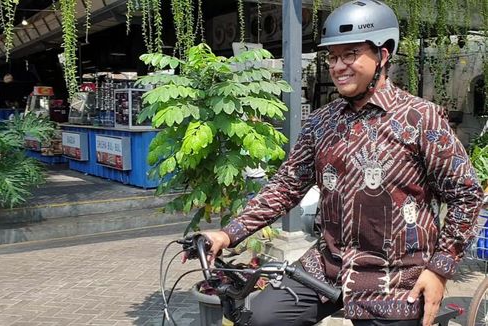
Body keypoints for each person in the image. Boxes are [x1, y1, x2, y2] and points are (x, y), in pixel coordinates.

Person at [190, 0, 484, 325]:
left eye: (350, 54)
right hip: (328, 267)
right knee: (261, 317)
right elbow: (286, 186)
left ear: (382, 55)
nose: (338, 65)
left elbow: (467, 196)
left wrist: (439, 269)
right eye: (332, 57)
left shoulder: (420, 118)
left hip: (398, 279)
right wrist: (229, 234)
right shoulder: (321, 123)